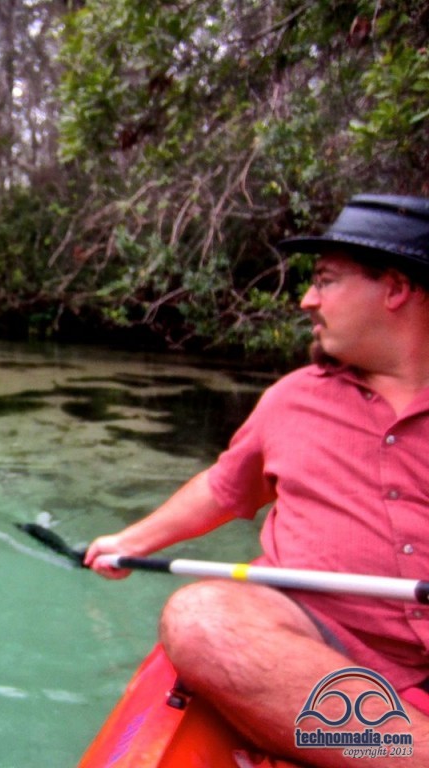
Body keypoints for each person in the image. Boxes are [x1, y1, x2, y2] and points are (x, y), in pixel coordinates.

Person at [83, 194, 429, 767]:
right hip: (315, 637)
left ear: (393, 289)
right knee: (201, 620)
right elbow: (224, 488)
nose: (306, 300)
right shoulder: (290, 400)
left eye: (326, 281)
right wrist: (130, 541)